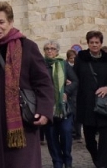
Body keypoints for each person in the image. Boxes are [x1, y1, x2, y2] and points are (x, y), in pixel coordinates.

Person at [0, 1, 54, 168]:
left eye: (1, 22)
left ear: (10, 22)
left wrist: (44, 110)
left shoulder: (27, 47)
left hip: (21, 125)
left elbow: (43, 81)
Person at [74, 30, 107, 168]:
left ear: (101, 44)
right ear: (88, 43)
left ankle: (103, 165)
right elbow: (74, 77)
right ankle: (98, 161)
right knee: (89, 141)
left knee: (106, 142)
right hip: (87, 106)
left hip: (106, 106)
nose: (94, 45)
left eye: (97, 42)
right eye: (91, 42)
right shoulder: (81, 59)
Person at [43, 40, 78, 168]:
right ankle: (57, 162)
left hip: (64, 107)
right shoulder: (41, 65)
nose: (49, 51)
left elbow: (74, 81)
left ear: (57, 51)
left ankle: (67, 159)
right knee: (51, 137)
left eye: (52, 48)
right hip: (48, 107)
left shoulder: (64, 64)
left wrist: (66, 91)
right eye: (47, 49)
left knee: (66, 132)